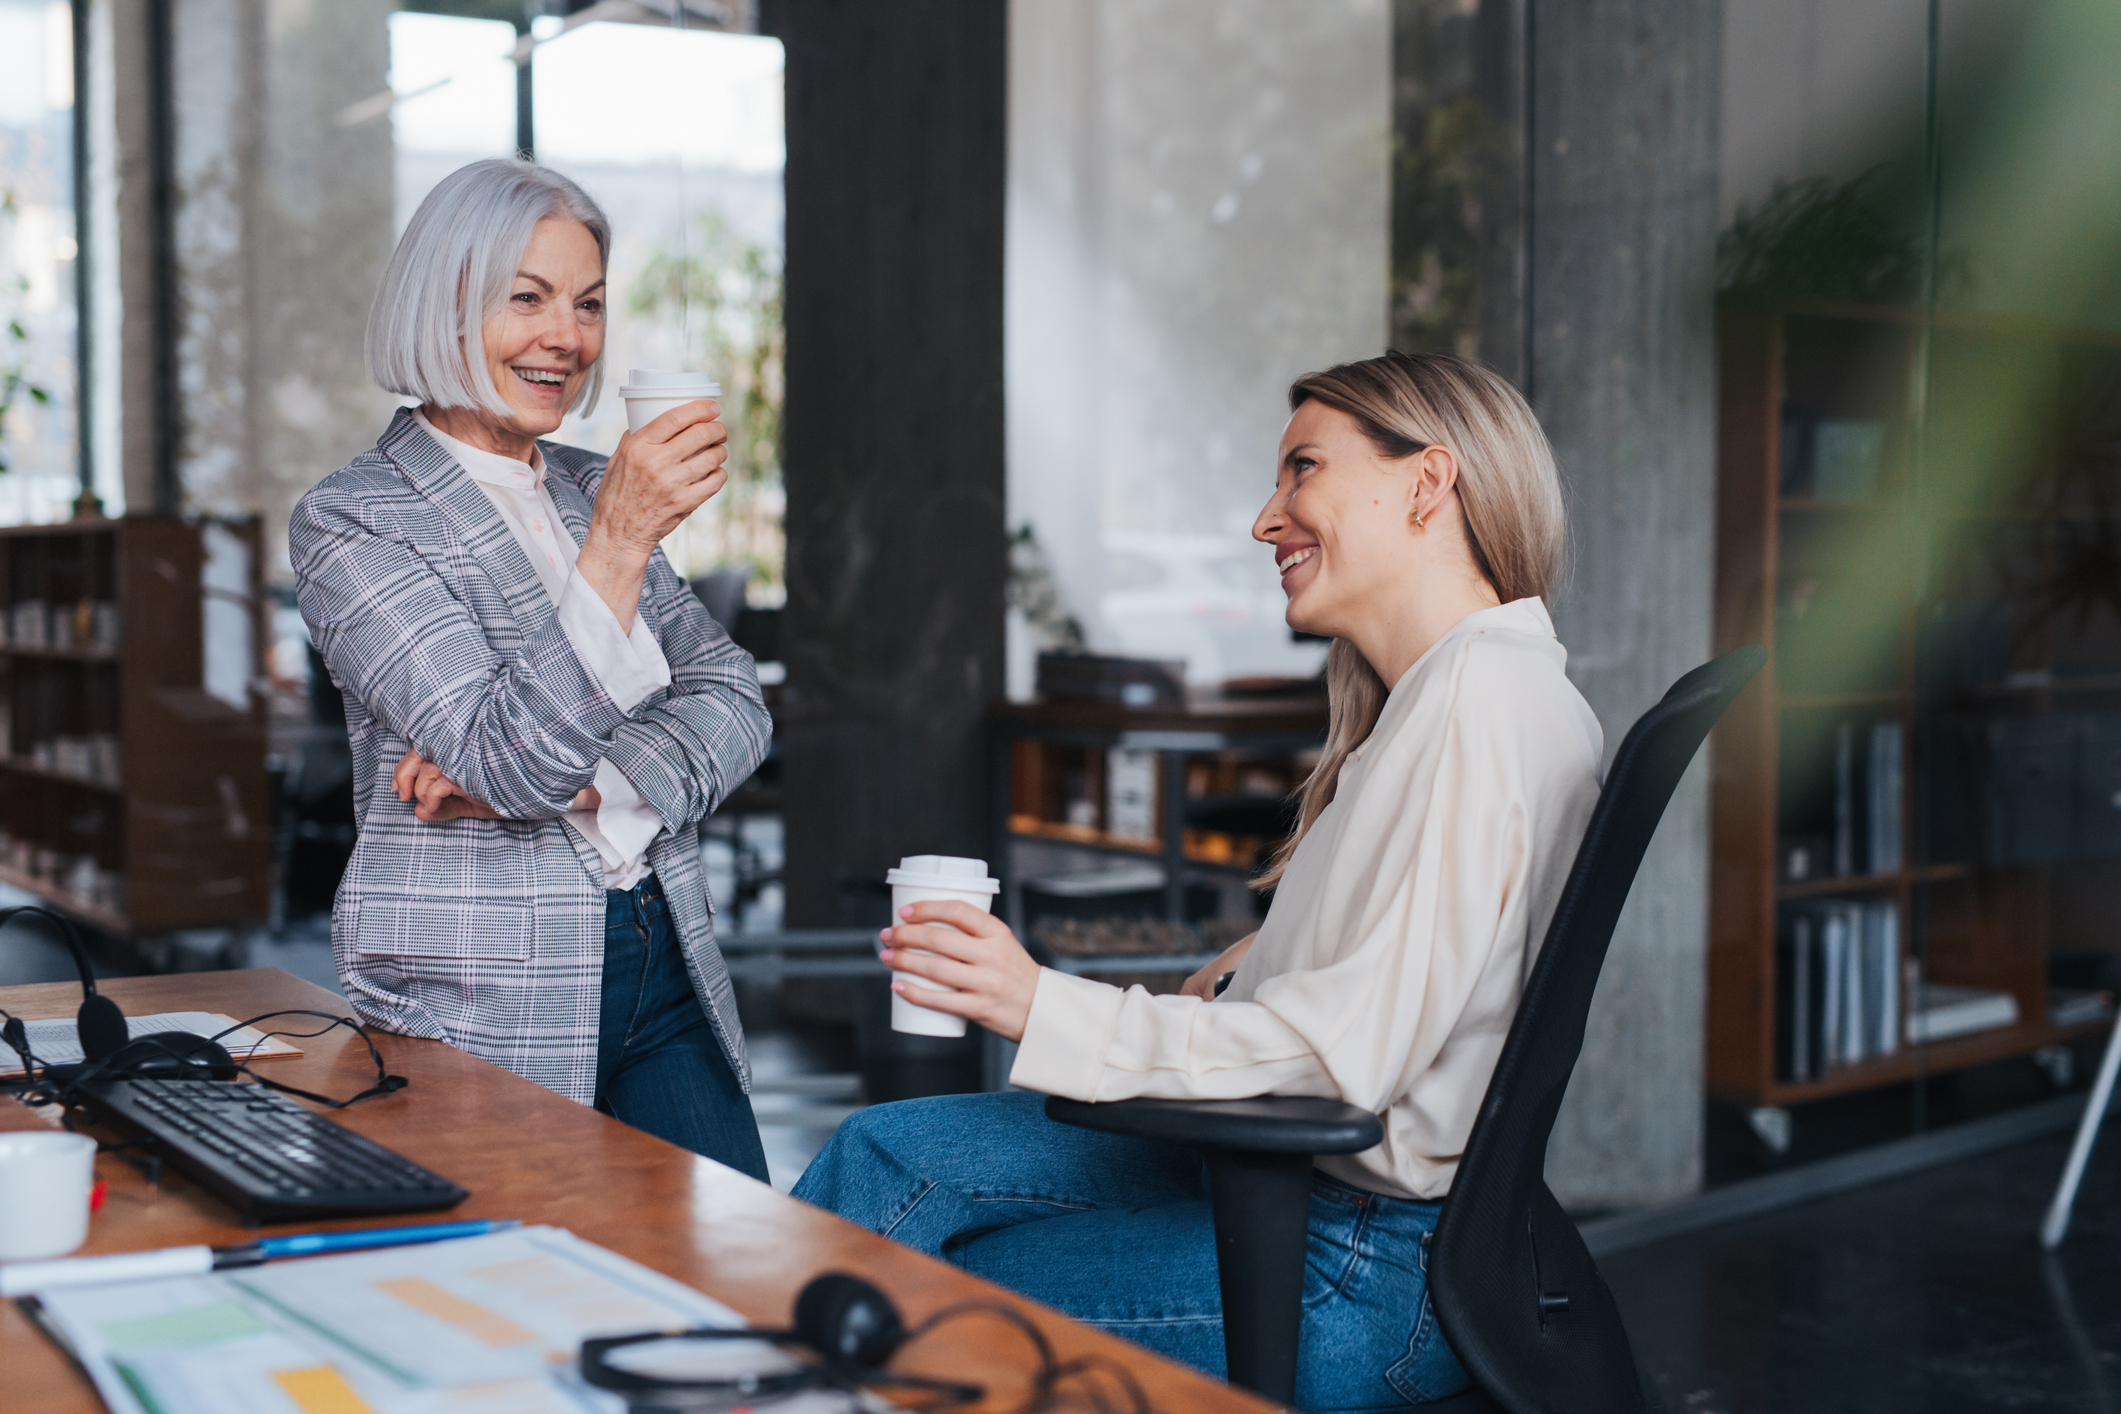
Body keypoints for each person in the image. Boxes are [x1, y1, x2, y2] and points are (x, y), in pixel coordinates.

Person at [793, 350, 1604, 1411]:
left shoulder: (1472, 710)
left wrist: (1035, 1000)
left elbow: (1337, 1062)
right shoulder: (1468, 692)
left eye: (1301, 469)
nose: (1267, 520)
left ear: (1427, 482)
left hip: (1360, 1266)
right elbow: (1419, 978)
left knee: (918, 1306)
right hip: (1334, 1209)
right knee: (882, 1157)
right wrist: (1263, 965)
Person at [290, 158, 771, 1181]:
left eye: (589, 304)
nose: (569, 337)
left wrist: (602, 781)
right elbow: (506, 763)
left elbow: (735, 698)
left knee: (732, 1300)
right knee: (513, 1291)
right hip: (478, 990)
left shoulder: (590, 486)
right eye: (529, 299)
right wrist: (623, 539)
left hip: (664, 951)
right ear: (447, 302)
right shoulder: (355, 520)